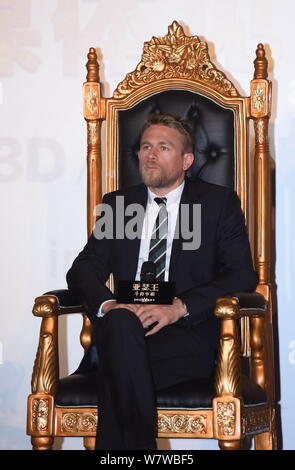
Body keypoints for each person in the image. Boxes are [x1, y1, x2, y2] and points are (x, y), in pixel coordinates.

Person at [66, 114, 258, 450]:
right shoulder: (120, 205)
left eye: (163, 147)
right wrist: (110, 305)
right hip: (123, 328)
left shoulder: (217, 204)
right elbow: (83, 269)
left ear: (186, 160)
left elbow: (241, 274)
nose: (150, 155)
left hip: (186, 336)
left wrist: (178, 308)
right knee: (122, 324)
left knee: (119, 367)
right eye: (145, 147)